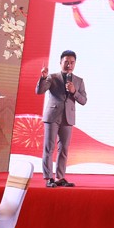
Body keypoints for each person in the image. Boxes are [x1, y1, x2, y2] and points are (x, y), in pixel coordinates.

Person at [36, 50, 87, 188]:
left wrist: (74, 92)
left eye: (72, 62)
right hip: (52, 116)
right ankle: (49, 178)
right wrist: (43, 78)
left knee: (63, 148)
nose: (69, 65)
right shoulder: (52, 77)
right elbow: (39, 91)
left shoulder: (79, 81)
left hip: (68, 118)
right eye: (66, 62)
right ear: (60, 63)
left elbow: (83, 100)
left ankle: (60, 177)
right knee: (49, 147)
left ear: (75, 63)